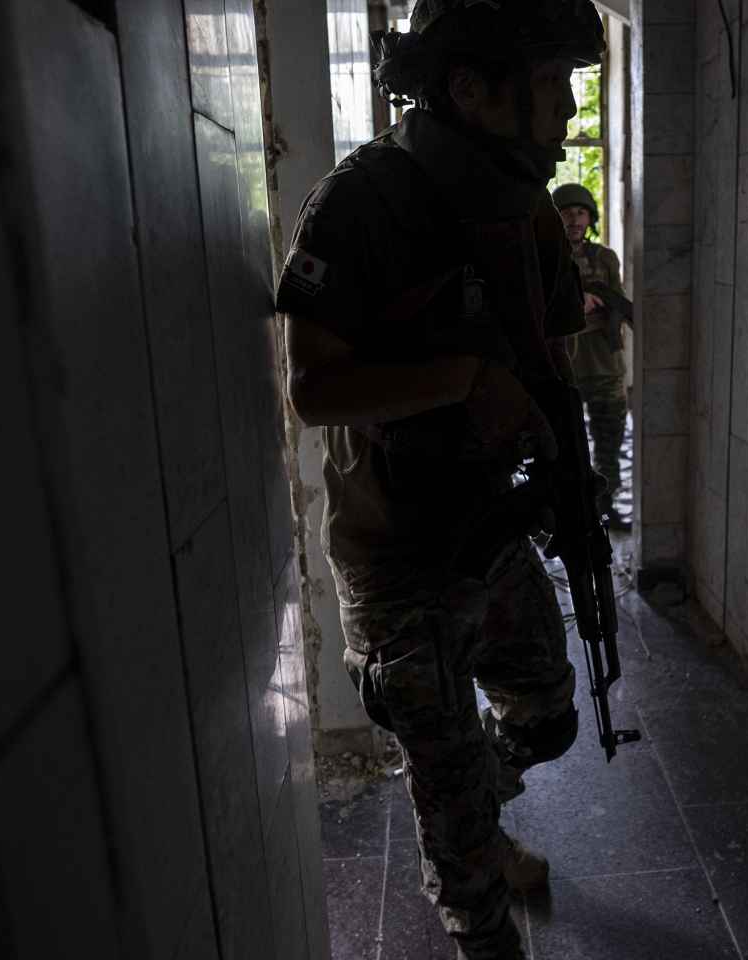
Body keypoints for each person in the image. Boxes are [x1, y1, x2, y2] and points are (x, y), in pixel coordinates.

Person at [278, 2, 604, 958]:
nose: (568, 103)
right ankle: (469, 869)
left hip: (488, 528)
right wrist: (461, 379)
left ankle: (471, 800)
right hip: (395, 554)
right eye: (551, 83)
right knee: (464, 858)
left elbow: (548, 354)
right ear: (471, 89)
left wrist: (559, 462)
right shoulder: (363, 201)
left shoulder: (524, 206)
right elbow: (312, 388)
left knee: (546, 717)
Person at [551, 182, 631, 528]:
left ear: (591, 217)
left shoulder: (604, 258)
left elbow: (617, 305)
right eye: (566, 212)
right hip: (560, 371)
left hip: (604, 369)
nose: (574, 219)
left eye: (581, 212)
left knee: (608, 445)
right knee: (559, 450)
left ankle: (605, 507)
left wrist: (603, 307)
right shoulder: (545, 260)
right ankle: (561, 514)